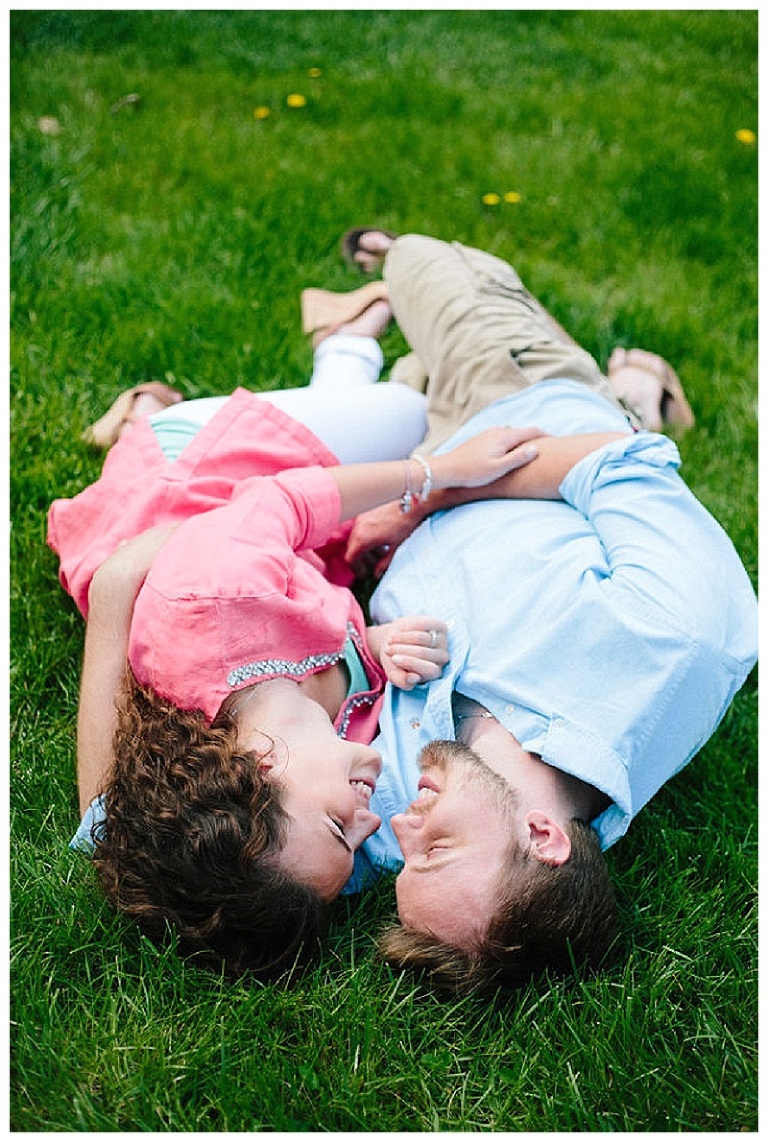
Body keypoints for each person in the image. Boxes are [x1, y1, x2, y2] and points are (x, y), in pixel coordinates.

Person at [48, 296, 542, 979]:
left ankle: (182, 401)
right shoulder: (323, 734)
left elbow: (284, 499)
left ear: (260, 769)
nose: (376, 826)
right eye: (356, 843)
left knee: (412, 417)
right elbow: (341, 648)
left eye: (342, 827)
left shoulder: (213, 606)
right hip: (282, 548)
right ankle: (341, 340)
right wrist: (377, 644)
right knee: (382, 443)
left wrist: (437, 474)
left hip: (204, 478)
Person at [332, 230, 758, 993]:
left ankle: (634, 384)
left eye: (408, 857)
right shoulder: (677, 639)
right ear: (542, 835)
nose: (398, 830)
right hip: (521, 406)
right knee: (423, 264)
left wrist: (373, 637)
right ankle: (401, 263)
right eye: (436, 849)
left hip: (415, 469)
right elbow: (610, 462)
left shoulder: (404, 812)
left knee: (395, 382)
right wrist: (422, 495)